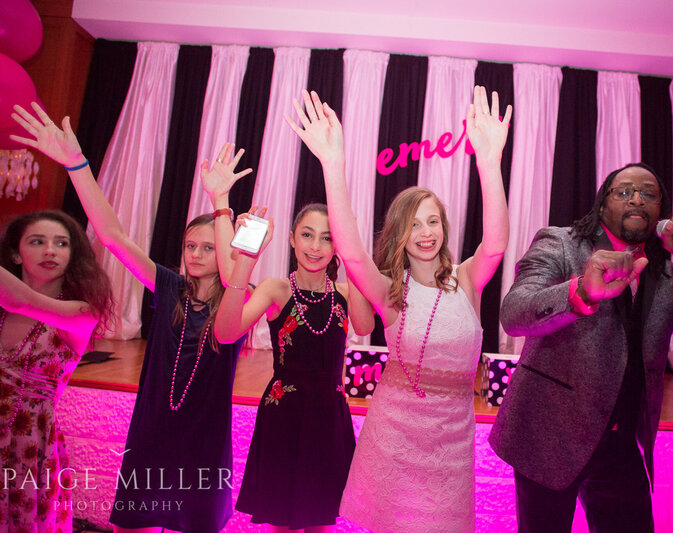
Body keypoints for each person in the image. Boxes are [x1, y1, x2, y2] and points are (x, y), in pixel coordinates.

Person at [11, 103, 251, 532]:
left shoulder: (241, 299)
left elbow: (235, 290)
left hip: (204, 446)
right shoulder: (169, 287)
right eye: (189, 246)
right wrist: (76, 165)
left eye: (207, 247)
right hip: (152, 435)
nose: (194, 255)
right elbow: (113, 236)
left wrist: (222, 205)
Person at [286, 86, 511, 532]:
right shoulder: (391, 291)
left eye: (432, 221)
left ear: (444, 229)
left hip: (451, 442)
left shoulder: (467, 280)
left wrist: (489, 163)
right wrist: (333, 165)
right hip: (394, 438)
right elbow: (350, 252)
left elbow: (497, 243)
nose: (424, 233)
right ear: (399, 235)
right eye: (413, 224)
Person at [489, 163, 673, 532]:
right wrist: (580, 292)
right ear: (602, 206)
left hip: (620, 444)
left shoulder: (665, 270)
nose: (637, 198)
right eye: (624, 192)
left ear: (660, 214)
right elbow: (514, 312)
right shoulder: (560, 243)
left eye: (649, 194)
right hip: (549, 437)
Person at [211, 197, 373, 531]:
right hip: (283, 417)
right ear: (291, 238)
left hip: (330, 420)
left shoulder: (345, 291)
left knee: (322, 522)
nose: (316, 246)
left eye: (328, 237)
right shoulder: (276, 289)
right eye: (307, 235)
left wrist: (353, 245)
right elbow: (226, 333)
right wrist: (246, 261)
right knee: (281, 522)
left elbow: (366, 326)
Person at [0, 209, 114, 531]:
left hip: (28, 443)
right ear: (14, 253)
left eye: (61, 243)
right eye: (37, 241)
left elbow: (20, 301)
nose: (50, 250)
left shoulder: (81, 312)